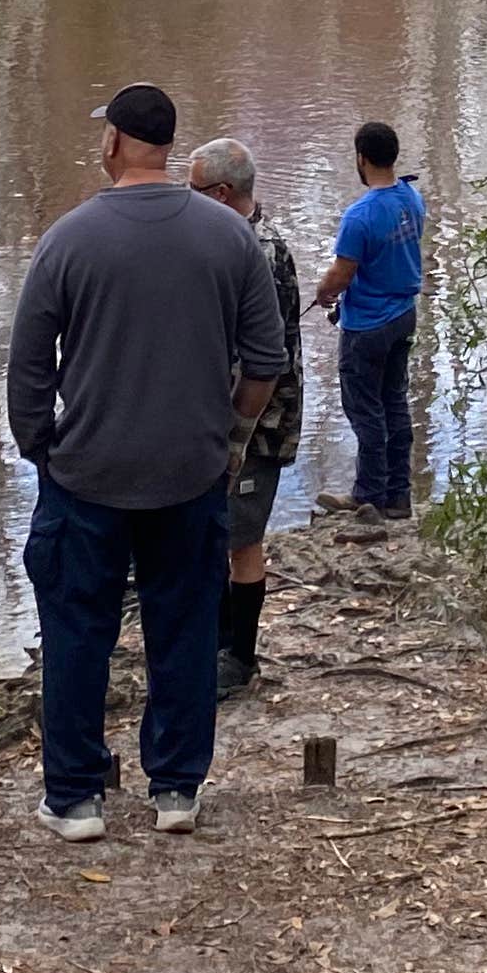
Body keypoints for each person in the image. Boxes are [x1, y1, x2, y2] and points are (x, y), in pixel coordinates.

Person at [6, 83, 288, 844]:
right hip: (190, 474)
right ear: (166, 147)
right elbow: (266, 360)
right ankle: (175, 789)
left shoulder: (68, 239)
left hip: (86, 473)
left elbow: (29, 362)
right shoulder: (229, 238)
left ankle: (74, 798)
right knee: (186, 630)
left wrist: (40, 445)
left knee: (76, 633)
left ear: (114, 143)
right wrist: (228, 437)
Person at [183, 136, 303, 698]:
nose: (186, 201)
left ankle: (239, 655)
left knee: (241, 537)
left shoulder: (261, 250)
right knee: (216, 531)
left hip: (259, 422)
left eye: (194, 191)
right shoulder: (227, 238)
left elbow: (265, 356)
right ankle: (214, 643)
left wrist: (237, 427)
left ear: (224, 192)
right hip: (220, 416)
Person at [310, 120, 424, 521]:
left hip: (368, 326)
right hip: (403, 316)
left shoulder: (360, 216)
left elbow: (342, 273)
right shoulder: (412, 198)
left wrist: (323, 293)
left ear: (361, 158)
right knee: (394, 402)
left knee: (366, 410)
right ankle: (399, 495)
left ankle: (368, 494)